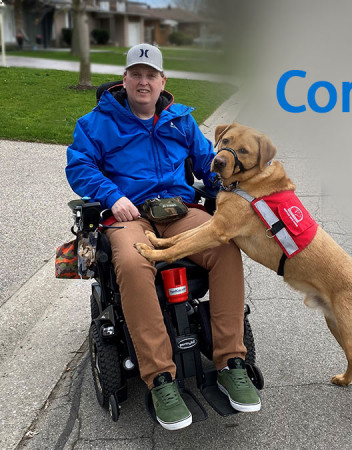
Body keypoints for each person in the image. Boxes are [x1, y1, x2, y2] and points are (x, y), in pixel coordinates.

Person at [65, 44, 261, 430]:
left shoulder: (180, 121)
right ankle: (160, 379)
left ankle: (231, 362)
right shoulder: (95, 123)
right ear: (125, 79)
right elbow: (80, 165)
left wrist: (232, 177)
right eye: (136, 74)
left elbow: (208, 162)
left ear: (162, 82)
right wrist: (113, 196)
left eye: (150, 75)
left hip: (180, 211)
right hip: (130, 215)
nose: (143, 81)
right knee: (136, 264)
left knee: (224, 248)